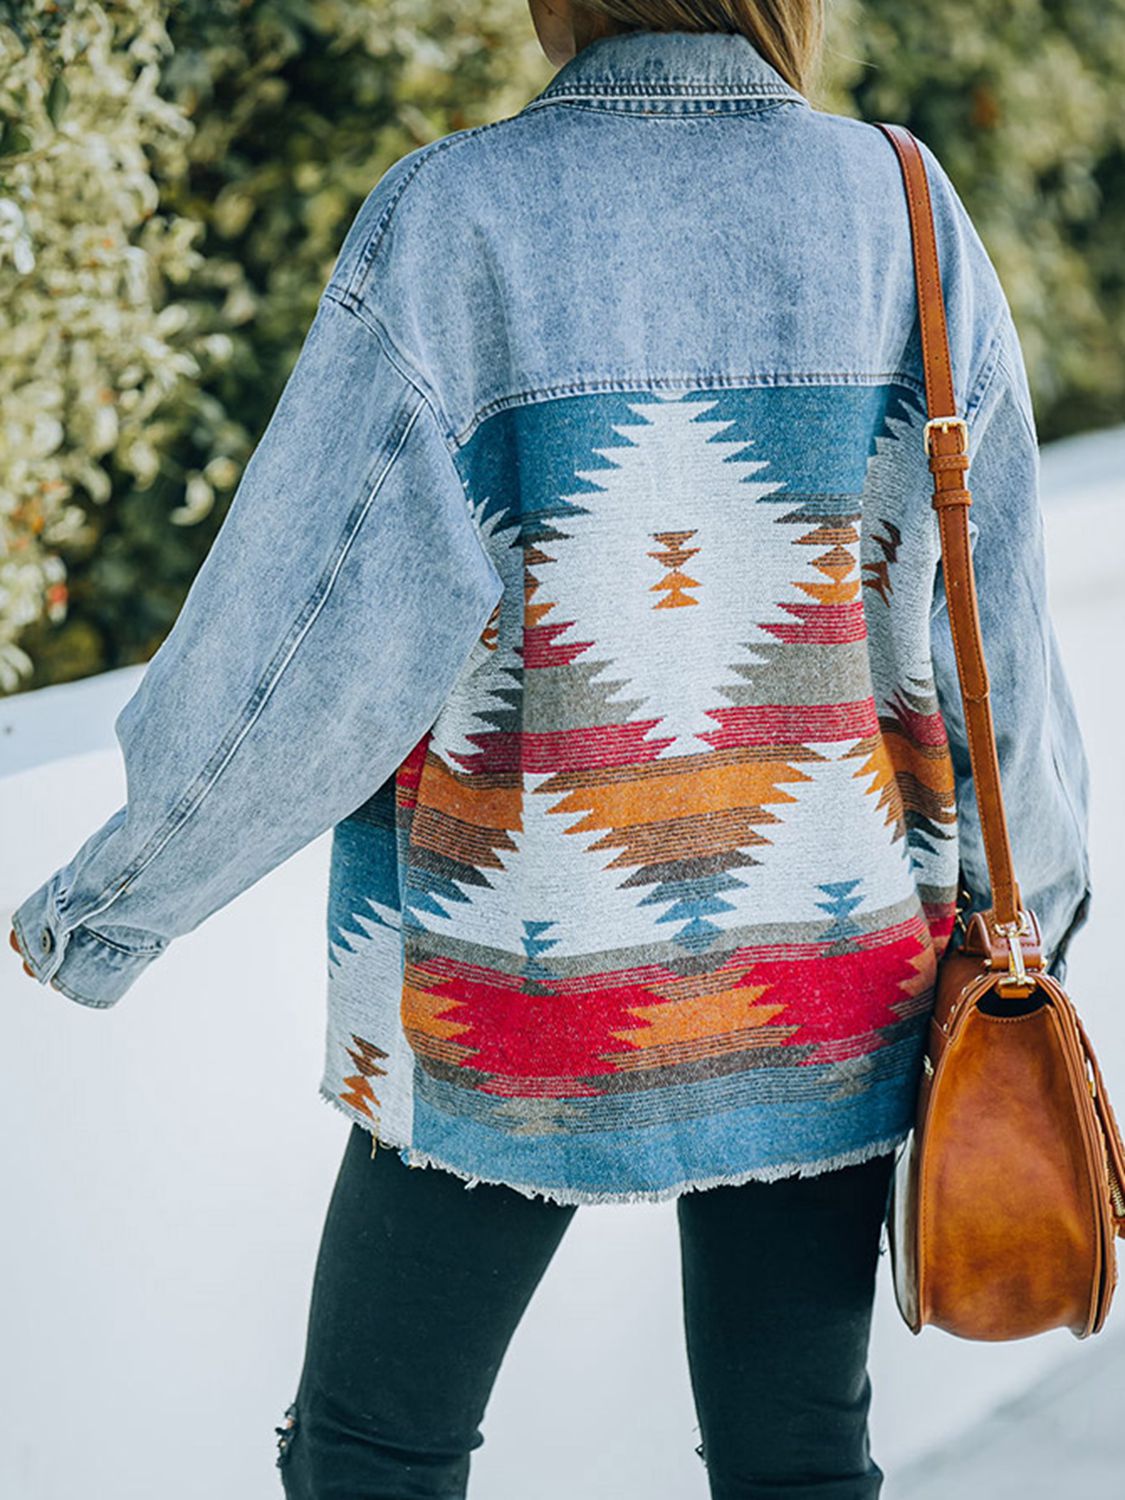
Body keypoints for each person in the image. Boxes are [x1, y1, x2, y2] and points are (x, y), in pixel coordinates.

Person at [10, 3, 1092, 1496]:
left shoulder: (457, 215)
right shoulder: (899, 204)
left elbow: (315, 631)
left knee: (370, 1451)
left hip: (512, 983)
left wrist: (112, 901)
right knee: (800, 1457)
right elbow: (997, 625)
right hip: (831, 971)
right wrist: (1034, 898)